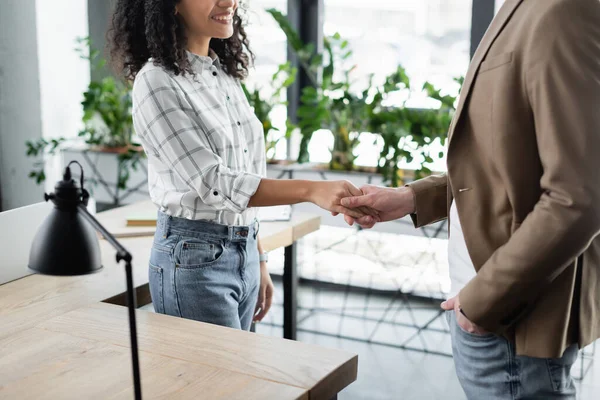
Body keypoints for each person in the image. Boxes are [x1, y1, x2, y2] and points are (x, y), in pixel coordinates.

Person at [338, 0, 600, 398]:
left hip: (509, 320)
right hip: (492, 309)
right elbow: (505, 162)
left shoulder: (563, 11)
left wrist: (481, 303)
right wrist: (412, 197)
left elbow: (579, 197)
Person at [108, 0, 377, 331]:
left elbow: (246, 174)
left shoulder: (221, 74)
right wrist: (311, 189)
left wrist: (257, 256)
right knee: (215, 381)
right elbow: (216, 182)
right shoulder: (156, 82)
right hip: (194, 259)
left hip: (243, 248)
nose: (229, 1)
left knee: (241, 379)